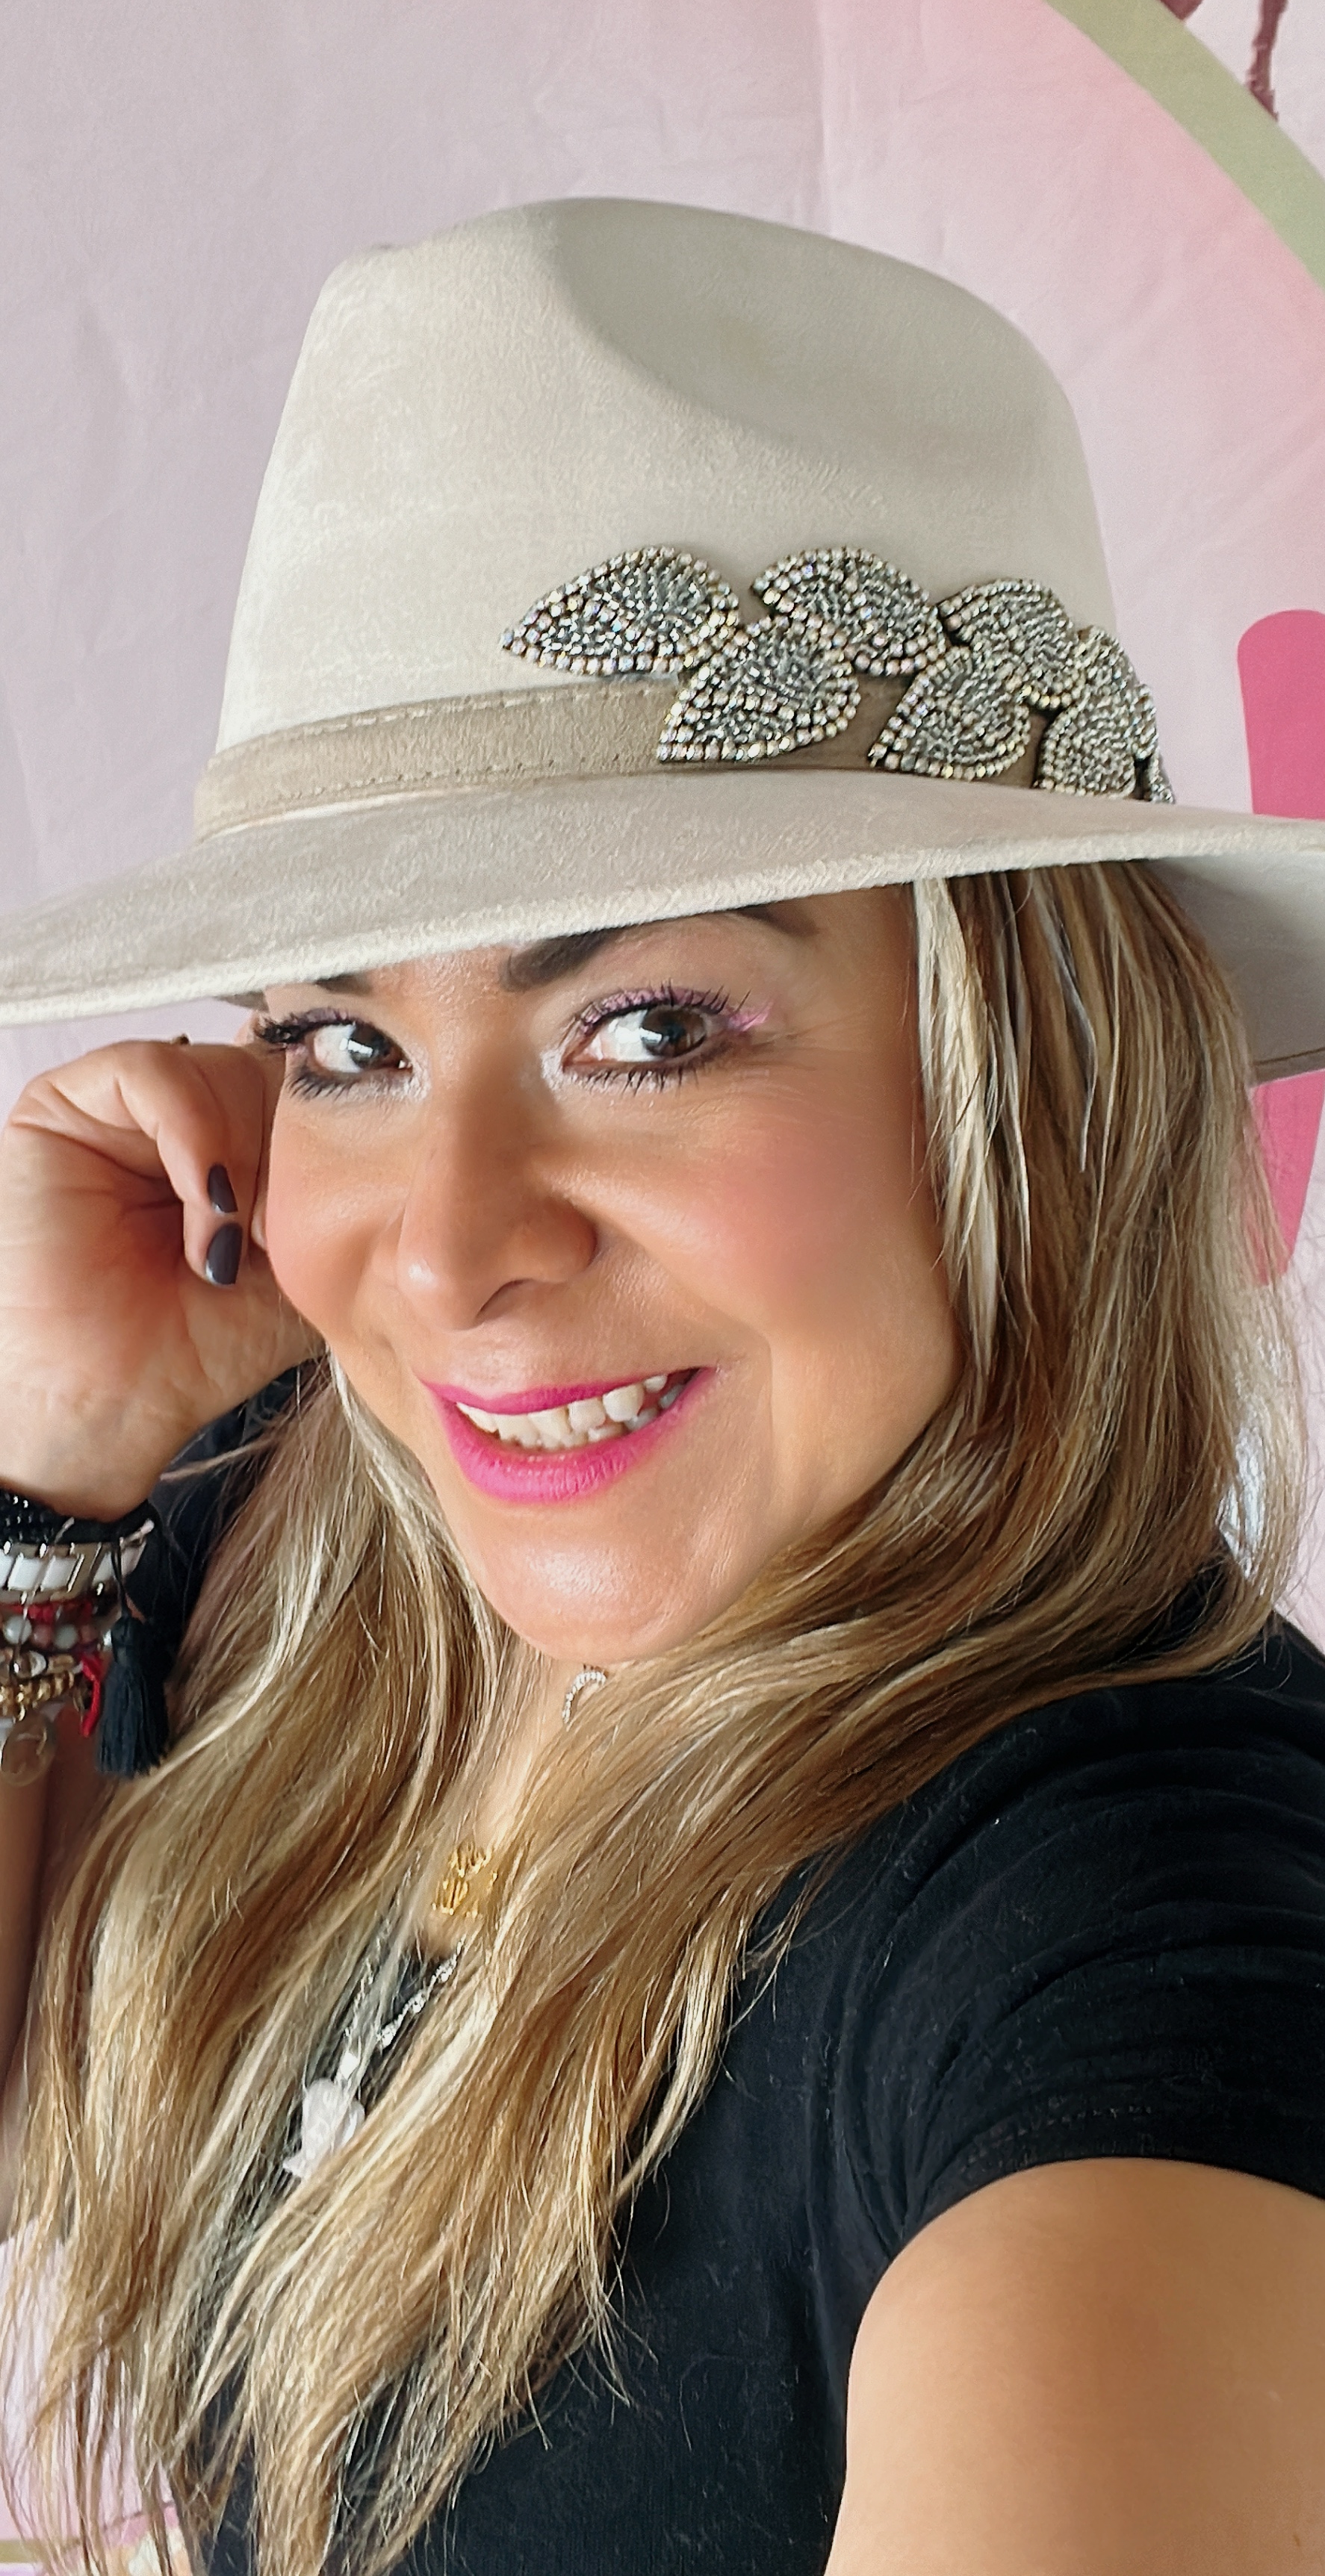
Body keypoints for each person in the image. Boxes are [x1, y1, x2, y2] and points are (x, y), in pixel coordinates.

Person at [0, 200, 1324, 2576]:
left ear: (1025, 1075)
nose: (443, 1250)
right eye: (348, 1046)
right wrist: (44, 1477)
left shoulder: (1128, 1916)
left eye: (650, 1029)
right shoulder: (300, 1560)